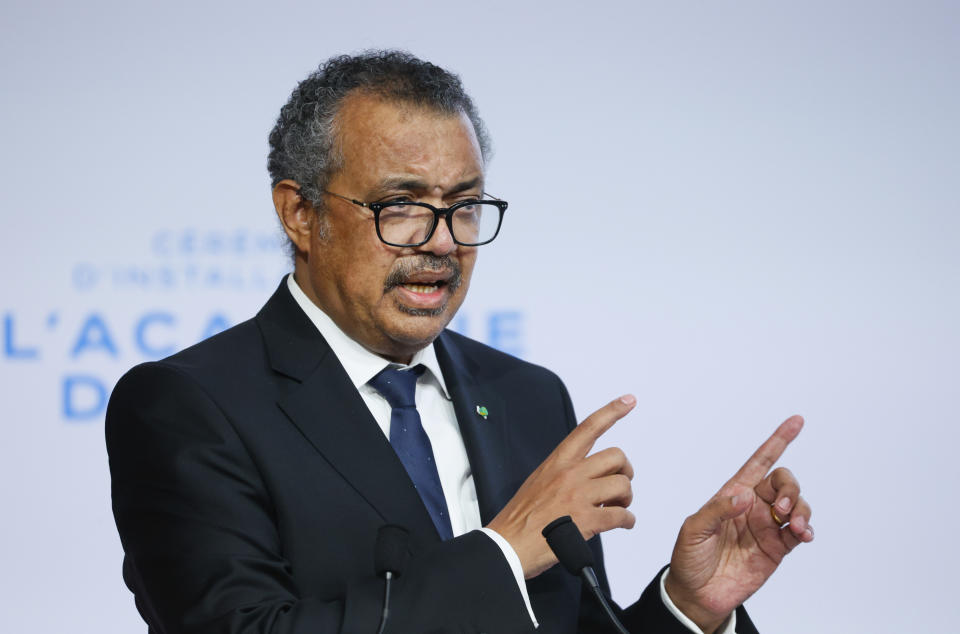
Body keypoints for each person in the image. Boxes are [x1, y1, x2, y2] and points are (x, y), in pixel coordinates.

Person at [106, 50, 813, 633]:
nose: (442, 242)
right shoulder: (189, 406)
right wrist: (503, 556)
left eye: (464, 206)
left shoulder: (526, 398)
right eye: (404, 205)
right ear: (300, 213)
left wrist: (688, 608)